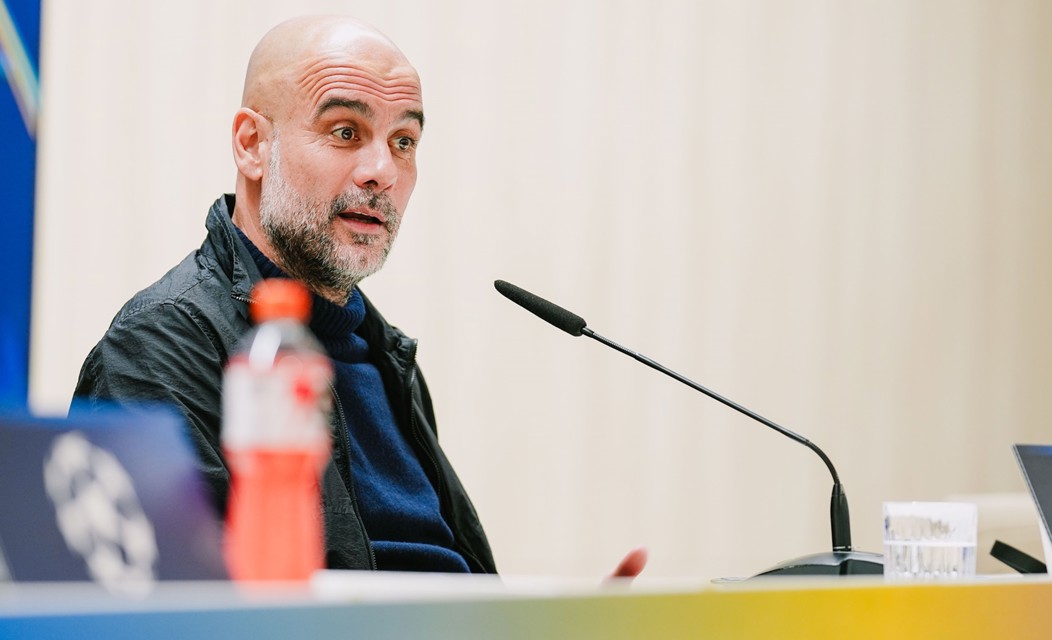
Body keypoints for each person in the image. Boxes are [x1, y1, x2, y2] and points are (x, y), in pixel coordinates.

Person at [73, 15, 645, 578]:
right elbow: (178, 614)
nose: (382, 172)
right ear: (252, 146)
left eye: (404, 141)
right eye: (346, 132)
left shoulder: (383, 353)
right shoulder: (160, 347)